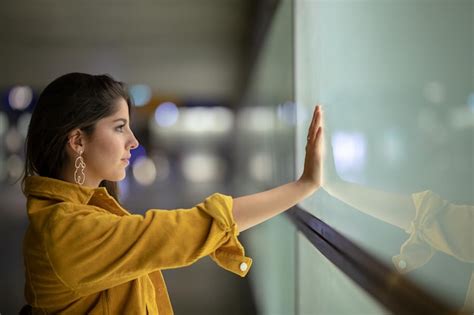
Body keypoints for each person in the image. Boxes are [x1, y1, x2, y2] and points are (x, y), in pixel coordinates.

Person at [21, 72, 323, 314]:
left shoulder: (79, 214)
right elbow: (184, 230)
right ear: (77, 141)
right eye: (119, 127)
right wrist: (302, 186)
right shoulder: (66, 231)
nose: (134, 141)